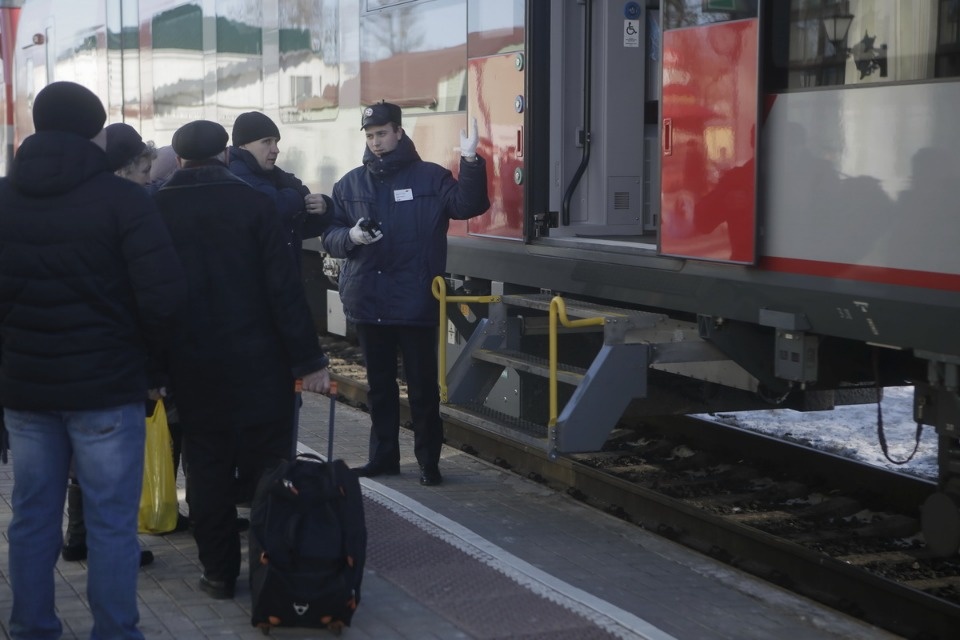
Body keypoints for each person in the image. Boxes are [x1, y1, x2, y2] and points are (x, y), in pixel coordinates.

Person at [0, 81, 186, 639]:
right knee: (110, 524)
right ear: (94, 131)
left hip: (27, 391)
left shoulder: (4, 199)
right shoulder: (124, 200)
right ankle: (115, 632)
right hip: (107, 391)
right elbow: (165, 298)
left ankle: (31, 627)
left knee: (32, 518)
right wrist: (154, 371)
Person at [153, 119, 331, 600]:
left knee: (206, 470)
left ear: (180, 158)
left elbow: (146, 296)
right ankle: (271, 571)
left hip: (192, 367)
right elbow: (284, 291)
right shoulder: (254, 205)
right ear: (225, 155)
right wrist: (308, 361)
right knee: (268, 470)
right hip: (261, 365)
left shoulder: (156, 209)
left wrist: (153, 371)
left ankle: (218, 574)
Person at [322, 101, 490, 486]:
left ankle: (429, 462)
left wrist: (470, 161)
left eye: (382, 133)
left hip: (414, 300)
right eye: (369, 136)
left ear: (399, 132)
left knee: (422, 388)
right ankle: (383, 458)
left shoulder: (430, 178)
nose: (376, 142)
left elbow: (469, 204)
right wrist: (350, 236)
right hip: (368, 301)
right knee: (379, 389)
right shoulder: (349, 184)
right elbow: (330, 235)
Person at [228, 111, 331, 271]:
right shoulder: (237, 174)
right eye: (267, 142)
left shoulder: (270, 175)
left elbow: (300, 229)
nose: (275, 149)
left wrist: (323, 209)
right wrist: (297, 196)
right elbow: (276, 206)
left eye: (276, 142)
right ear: (243, 146)